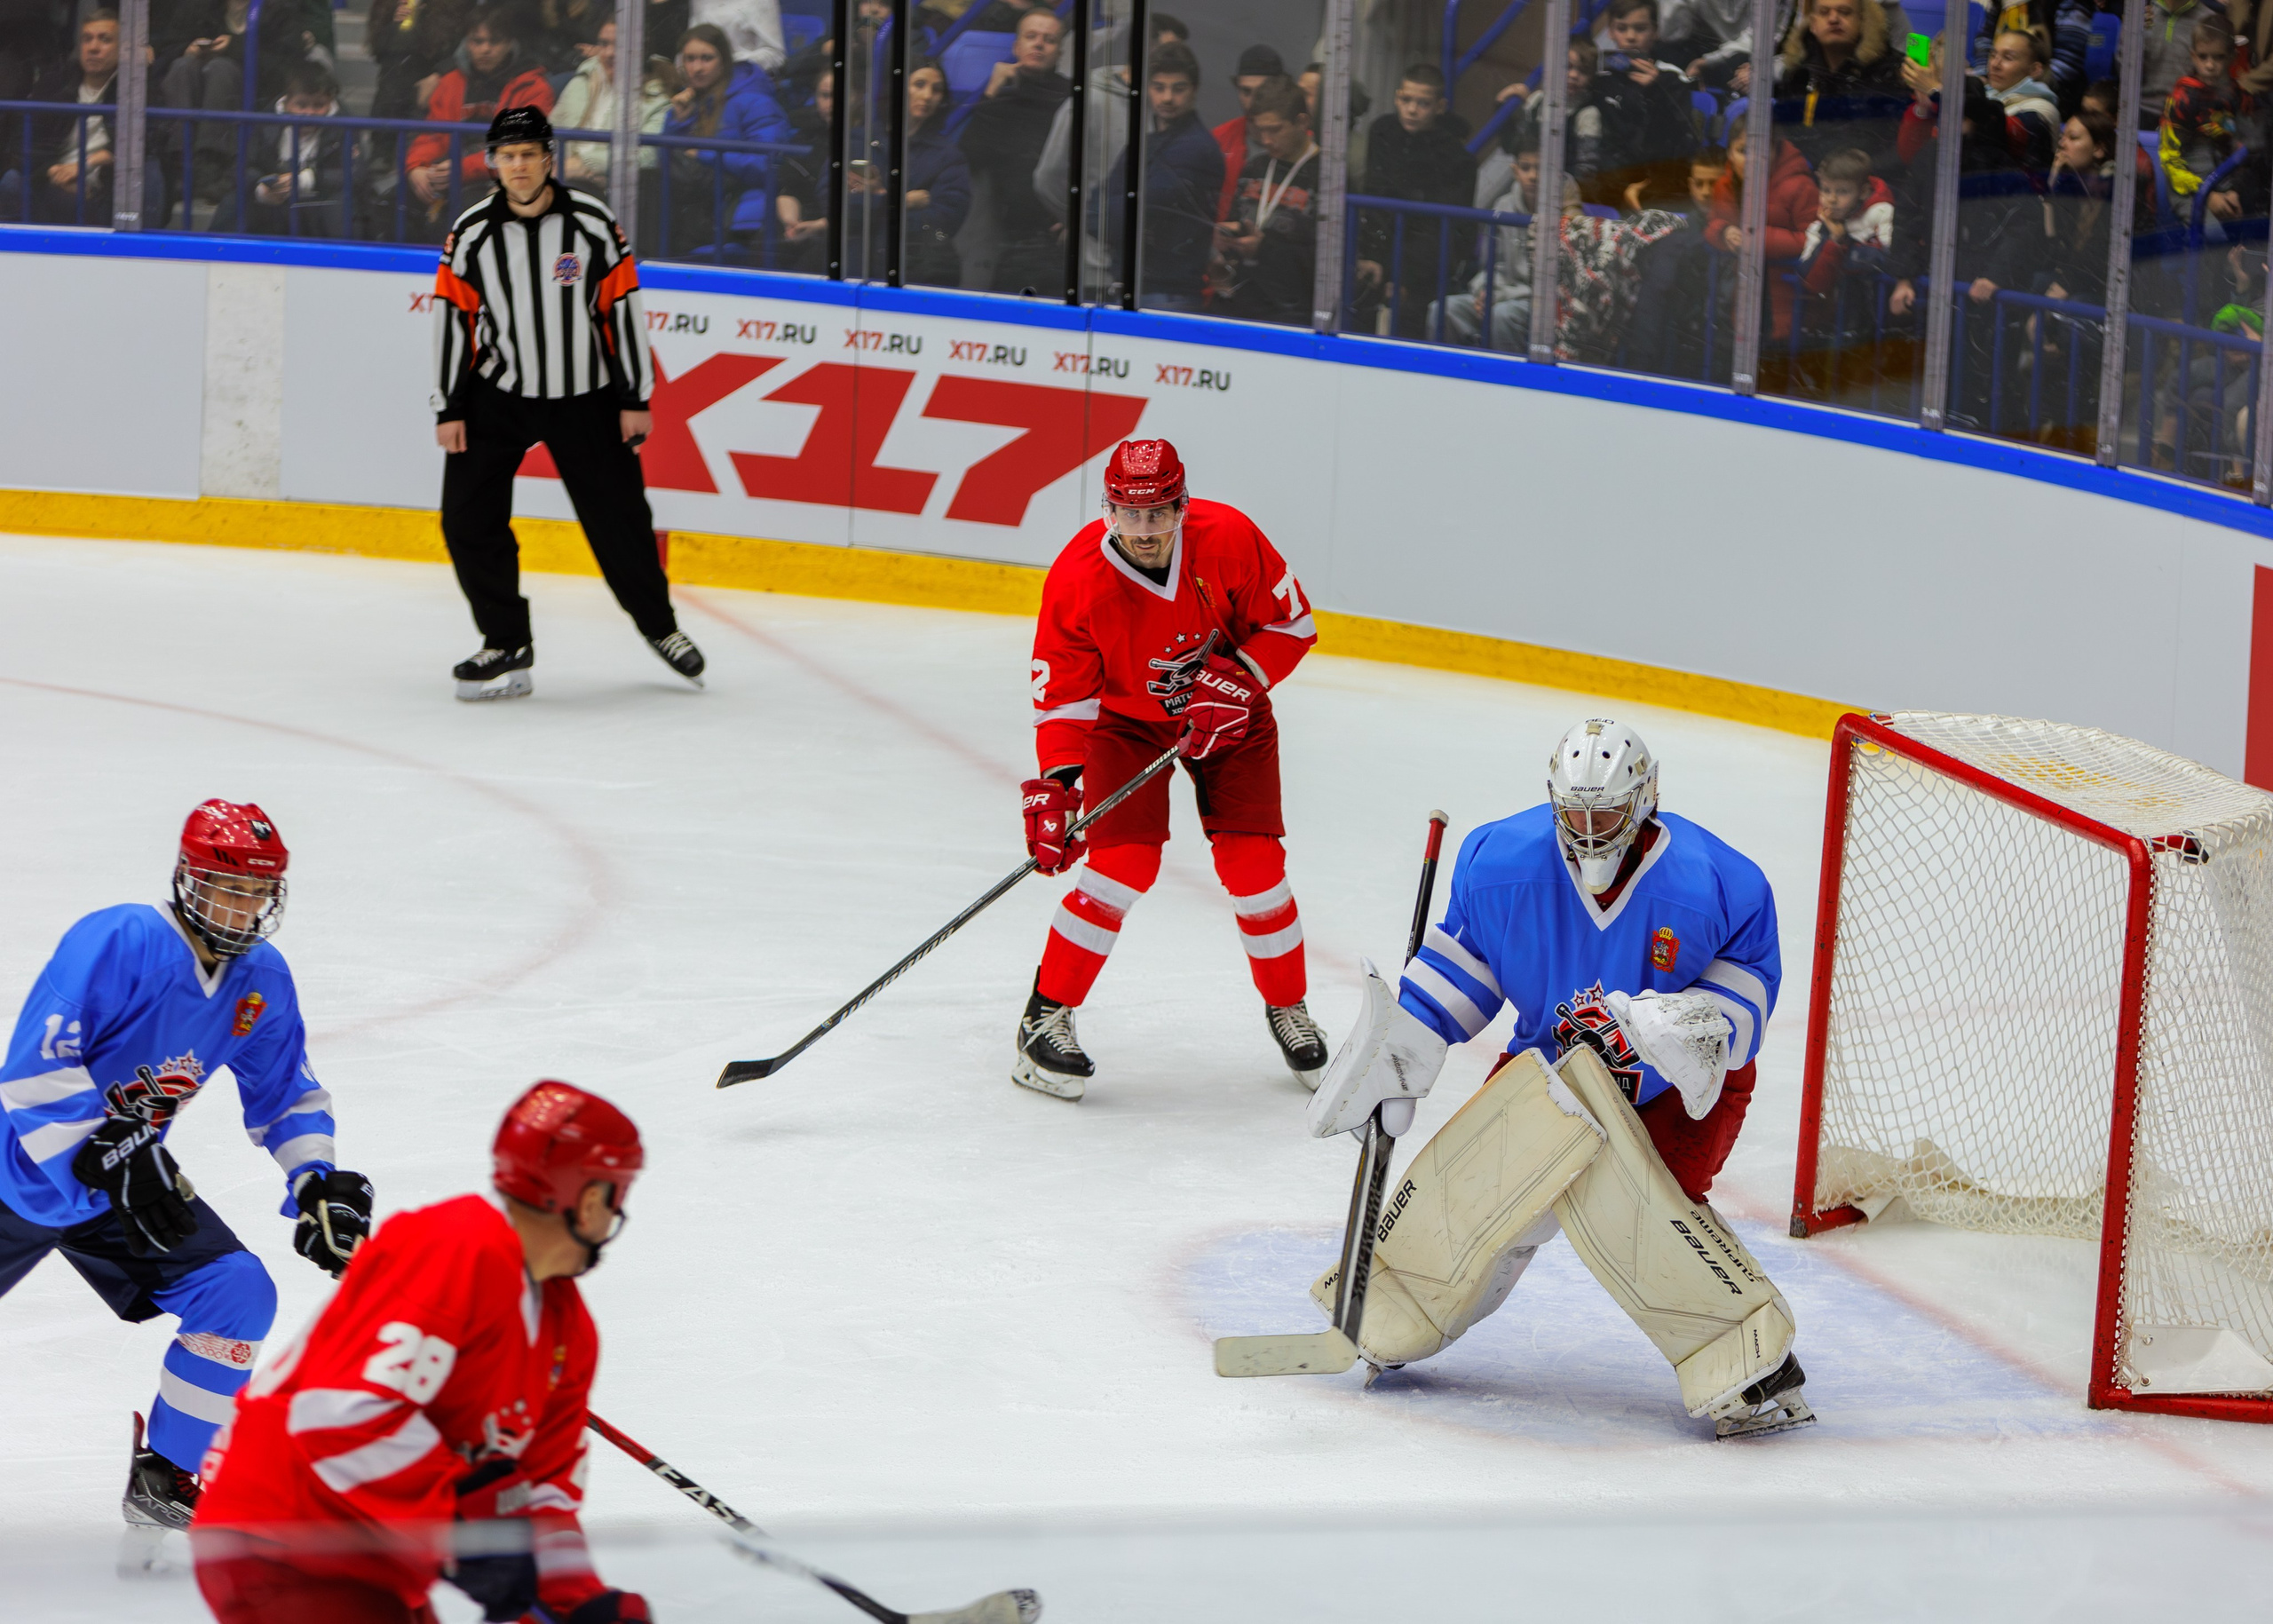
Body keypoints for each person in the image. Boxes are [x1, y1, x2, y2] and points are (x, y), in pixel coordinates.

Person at [1302, 718, 1806, 1438]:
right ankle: (1398, 1309)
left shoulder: (1719, 883)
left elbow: (1747, 995)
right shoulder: (1501, 863)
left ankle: (1749, 1358)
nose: (1591, 830)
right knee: (1485, 1185)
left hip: (1675, 1091)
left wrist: (1667, 1027)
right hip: (1551, 1065)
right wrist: (1398, 1050)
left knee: (1632, 1207)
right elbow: (1457, 977)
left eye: (1607, 814)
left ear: (1644, 802)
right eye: (1576, 813)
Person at [0, 801, 374, 1534]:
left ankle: (166, 1473)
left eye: (256, 892)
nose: (241, 908)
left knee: (235, 1290)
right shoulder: (121, 939)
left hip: (125, 1184)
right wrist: (107, 1151)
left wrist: (317, 1180)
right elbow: (34, 1071)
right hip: (20, 1166)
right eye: (226, 887)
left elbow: (286, 1091)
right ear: (187, 878)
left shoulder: (260, 979)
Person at [192, 1081, 648, 1624]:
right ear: (591, 1198)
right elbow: (338, 1418)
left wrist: (577, 1603)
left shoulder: (568, 1331)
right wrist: (461, 1524)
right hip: (279, 1534)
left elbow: (543, 1495)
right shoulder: (458, 1245)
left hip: (374, 1562)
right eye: (617, 1194)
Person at [1015, 440, 1325, 1101]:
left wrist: (1241, 677)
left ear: (1183, 505)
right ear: (1108, 511)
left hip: (1232, 706)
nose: (1146, 530)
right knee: (1121, 863)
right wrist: (1059, 788)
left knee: (1255, 866)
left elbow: (1293, 624)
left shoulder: (1231, 538)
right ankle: (1045, 1015)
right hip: (1126, 725)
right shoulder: (1076, 578)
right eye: (1131, 514)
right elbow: (1067, 696)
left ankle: (1288, 1005)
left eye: (1160, 513)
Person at [432, 107, 706, 701]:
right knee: (465, 518)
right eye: (508, 156)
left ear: (550, 158)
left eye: (530, 154)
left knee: (621, 519)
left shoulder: (592, 223)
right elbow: (454, 319)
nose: (520, 166)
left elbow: (624, 309)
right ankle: (506, 639)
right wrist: (449, 405)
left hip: (586, 393)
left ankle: (661, 628)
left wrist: (635, 395)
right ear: (493, 163)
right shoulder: (472, 231)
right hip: (497, 393)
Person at [403, 10, 555, 234]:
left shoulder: (533, 87)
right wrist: (417, 166)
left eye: (495, 41)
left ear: (510, 44)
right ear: (467, 43)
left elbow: (519, 148)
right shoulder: (451, 81)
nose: (486, 49)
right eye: (478, 41)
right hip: (451, 169)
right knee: (393, 201)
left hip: (499, 178)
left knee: (467, 210)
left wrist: (461, 169)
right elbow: (433, 132)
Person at [1100, 39, 1222, 313]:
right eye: (1159, 87)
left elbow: (1139, 211)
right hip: (1132, 286)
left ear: (1194, 90)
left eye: (1178, 88)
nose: (1167, 98)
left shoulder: (1197, 148)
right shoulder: (1147, 141)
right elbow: (1097, 206)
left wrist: (1112, 211)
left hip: (1169, 295)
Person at [1355, 63, 1474, 337]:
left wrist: (1404, 276)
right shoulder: (1381, 131)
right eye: (1406, 100)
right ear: (1396, 97)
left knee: (1410, 325)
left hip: (1423, 271)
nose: (1411, 109)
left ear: (1440, 107)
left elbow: (1443, 228)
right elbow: (1375, 200)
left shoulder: (1456, 157)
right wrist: (1371, 258)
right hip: (1376, 256)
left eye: (1423, 103)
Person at [959, 4, 1070, 295]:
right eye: (1031, 36)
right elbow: (970, 156)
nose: (1039, 44)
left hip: (1051, 237)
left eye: (1049, 39)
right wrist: (992, 92)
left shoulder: (1074, 99)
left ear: (1060, 51)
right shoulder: (1000, 94)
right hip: (995, 234)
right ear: (1017, 46)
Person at [659, 23, 791, 259]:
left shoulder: (755, 102)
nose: (696, 68)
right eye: (690, 59)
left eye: (706, 58)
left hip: (737, 222)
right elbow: (665, 165)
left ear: (724, 61)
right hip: (691, 216)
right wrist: (677, 122)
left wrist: (705, 154)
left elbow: (768, 164)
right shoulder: (685, 105)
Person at [0, 10, 127, 226]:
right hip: (53, 177)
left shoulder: (134, 86)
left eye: (104, 40)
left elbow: (148, 141)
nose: (93, 48)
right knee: (12, 181)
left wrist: (87, 165)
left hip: (103, 183)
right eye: (87, 39)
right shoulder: (56, 84)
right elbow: (25, 142)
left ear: (123, 48)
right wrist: (54, 173)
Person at [207, 61, 360, 237]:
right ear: (286, 101)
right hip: (274, 203)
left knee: (341, 205)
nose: (309, 113)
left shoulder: (344, 124)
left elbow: (355, 173)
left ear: (331, 102)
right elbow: (243, 167)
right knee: (234, 202)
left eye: (318, 106)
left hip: (319, 203)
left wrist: (307, 180)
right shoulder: (266, 120)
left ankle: (339, 260)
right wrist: (261, 189)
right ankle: (215, 256)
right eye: (301, 105)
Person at [1706, 123, 1818, 347]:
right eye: (1743, 151)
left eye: (1761, 151)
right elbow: (1712, 224)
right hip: (1739, 305)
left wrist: (1755, 238)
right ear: (1729, 152)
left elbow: (1814, 240)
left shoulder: (1800, 186)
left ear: (1776, 151)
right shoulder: (1725, 184)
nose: (1751, 159)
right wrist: (1724, 232)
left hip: (1793, 305)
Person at [1221, 75, 1319, 327]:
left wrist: (1265, 249)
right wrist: (1228, 239)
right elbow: (1236, 218)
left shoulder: (1326, 176)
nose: (1265, 140)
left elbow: (1326, 259)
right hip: (1243, 302)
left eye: (1274, 130)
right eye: (1260, 129)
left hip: (1295, 312)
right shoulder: (1256, 167)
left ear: (1302, 122)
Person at [1428, 134, 1541, 352]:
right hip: (1503, 295)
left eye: (1541, 169)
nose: (1533, 176)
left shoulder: (1569, 213)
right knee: (1441, 310)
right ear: (1515, 171)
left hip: (1539, 306)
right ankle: (1447, 380)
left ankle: (1507, 382)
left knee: (1502, 316)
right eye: (1526, 168)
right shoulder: (1503, 206)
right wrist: (1484, 292)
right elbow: (1490, 266)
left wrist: (1497, 296)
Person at [1588, 0, 1699, 209]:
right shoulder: (1598, 78)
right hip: (1609, 180)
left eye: (1640, 29)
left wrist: (1656, 90)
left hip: (1656, 184)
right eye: (1622, 28)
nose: (1630, 37)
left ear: (1655, 32)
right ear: (1611, 31)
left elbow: (1685, 139)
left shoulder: (1672, 78)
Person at [1771, 0, 1907, 167]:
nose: (1834, 19)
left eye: (1844, 12)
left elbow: (1889, 151)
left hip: (1863, 180)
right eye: (1824, 12)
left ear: (1863, 21)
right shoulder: (1798, 73)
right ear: (1813, 24)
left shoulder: (1890, 73)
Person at [553, 18, 669, 195]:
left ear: (640, 49)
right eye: (603, 44)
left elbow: (648, 157)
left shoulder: (658, 100)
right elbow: (549, 131)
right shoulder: (580, 82)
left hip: (610, 191)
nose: (609, 53)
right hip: (557, 177)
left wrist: (582, 164)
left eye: (620, 45)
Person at [2159, 14, 2245, 220]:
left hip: (2225, 183)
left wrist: (2233, 189)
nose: (2210, 65)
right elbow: (2170, 159)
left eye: (2218, 57)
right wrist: (2206, 194)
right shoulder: (2183, 99)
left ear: (2232, 56)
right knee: (2213, 238)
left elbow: (2240, 145)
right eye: (2203, 56)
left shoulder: (2235, 94)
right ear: (2193, 56)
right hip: (2189, 190)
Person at [1211, 44, 1286, 223]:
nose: (1252, 102)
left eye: (1262, 91)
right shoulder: (1217, 140)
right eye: (1246, 91)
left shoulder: (1303, 142)